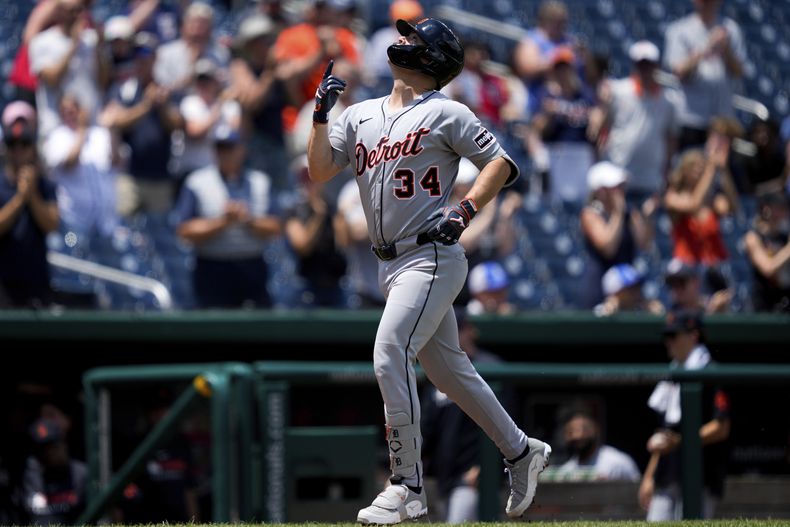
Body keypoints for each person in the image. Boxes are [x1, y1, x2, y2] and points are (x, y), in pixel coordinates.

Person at [307, 18, 551, 524]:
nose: (400, 40)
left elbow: (500, 163)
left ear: (432, 58)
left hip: (431, 255)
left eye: (413, 38)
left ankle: (407, 485)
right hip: (389, 264)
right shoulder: (360, 114)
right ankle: (521, 450)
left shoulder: (447, 111)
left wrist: (465, 210)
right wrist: (317, 117)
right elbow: (321, 169)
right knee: (448, 371)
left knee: (388, 352)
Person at [639, 309, 731, 521]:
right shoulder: (671, 373)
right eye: (666, 337)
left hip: (700, 476)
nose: (668, 342)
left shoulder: (710, 370)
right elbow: (665, 433)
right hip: (667, 474)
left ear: (694, 335)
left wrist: (681, 441)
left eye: (673, 336)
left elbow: (721, 427)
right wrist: (649, 476)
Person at [420, 310, 510, 523]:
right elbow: (426, 428)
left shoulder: (490, 368)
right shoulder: (437, 371)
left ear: (470, 331)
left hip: (474, 475)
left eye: (458, 330)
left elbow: (508, 423)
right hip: (445, 477)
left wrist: (485, 466)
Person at [0, 112, 59, 309]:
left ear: (33, 149)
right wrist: (20, 198)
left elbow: (52, 224)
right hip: (4, 285)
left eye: (24, 145)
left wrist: (32, 194)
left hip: (37, 284)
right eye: (12, 145)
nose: (18, 152)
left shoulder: (44, 185)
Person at [22, 418, 87, 525]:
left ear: (63, 444)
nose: (48, 454)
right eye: (42, 450)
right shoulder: (31, 477)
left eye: (53, 447)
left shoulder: (81, 475)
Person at [550, 408, 640, 482]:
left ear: (595, 430)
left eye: (583, 429)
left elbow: (639, 492)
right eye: (570, 432)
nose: (577, 436)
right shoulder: (567, 471)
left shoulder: (616, 462)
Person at [743, 191, 790, 312]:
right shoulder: (753, 237)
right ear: (766, 209)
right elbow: (767, 268)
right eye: (778, 207)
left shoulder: (784, 237)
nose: (783, 211)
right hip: (764, 304)